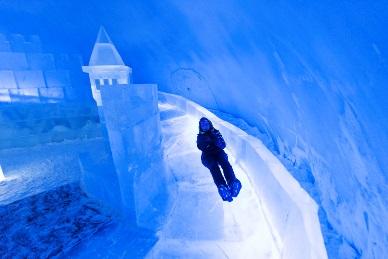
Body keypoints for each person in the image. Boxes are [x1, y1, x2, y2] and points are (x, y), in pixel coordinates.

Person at [196, 117, 242, 202]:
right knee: (214, 167)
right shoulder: (200, 136)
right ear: (200, 127)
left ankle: (232, 182)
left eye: (206, 123)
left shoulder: (216, 132)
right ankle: (222, 187)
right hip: (207, 155)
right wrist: (209, 141)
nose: (205, 126)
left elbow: (223, 145)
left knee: (225, 163)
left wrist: (215, 139)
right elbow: (201, 146)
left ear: (209, 124)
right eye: (202, 125)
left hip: (218, 152)